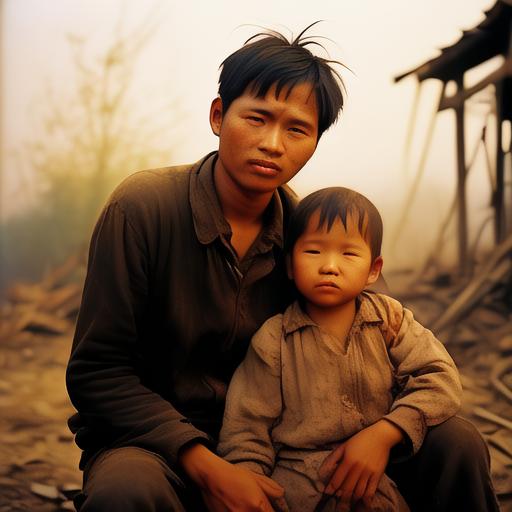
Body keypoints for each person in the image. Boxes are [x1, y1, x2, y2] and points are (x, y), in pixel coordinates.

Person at [66, 24, 346, 512]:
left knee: (454, 444)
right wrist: (204, 462)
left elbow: (365, 342)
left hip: (273, 446)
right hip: (149, 444)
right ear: (219, 116)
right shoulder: (143, 208)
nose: (274, 144)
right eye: (257, 118)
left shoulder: (310, 239)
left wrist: (384, 432)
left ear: (315, 142)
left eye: (297, 129)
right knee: (125, 493)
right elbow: (97, 372)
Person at [218, 187, 501, 512]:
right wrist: (247, 483)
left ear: (373, 270)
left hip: (384, 468)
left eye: (348, 254)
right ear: (290, 267)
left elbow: (439, 377)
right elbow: (246, 428)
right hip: (301, 484)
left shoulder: (389, 321)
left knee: (461, 438)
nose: (330, 266)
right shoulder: (274, 340)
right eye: (313, 252)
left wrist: (387, 431)